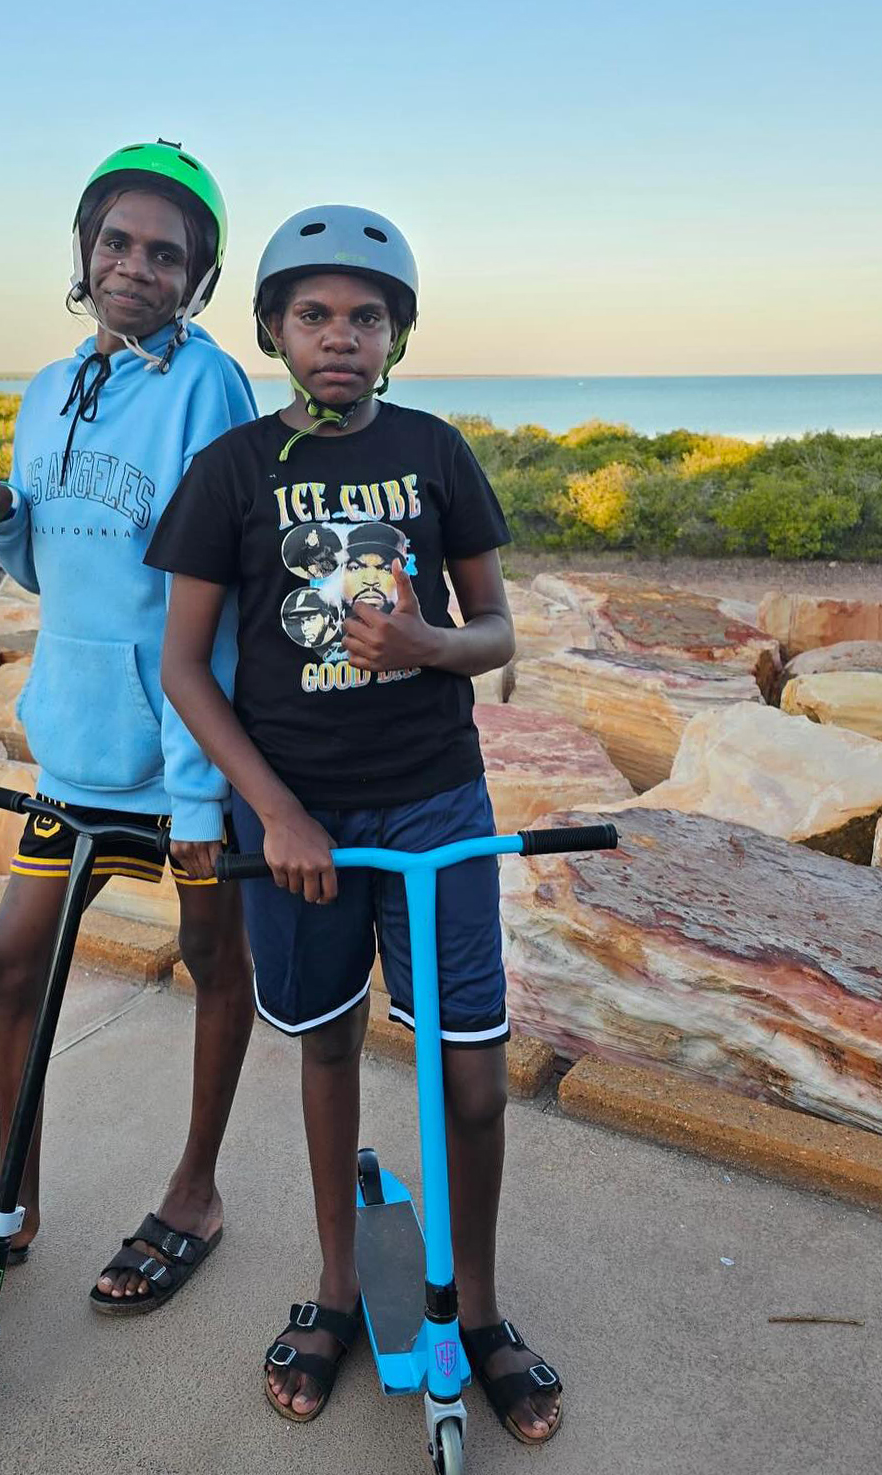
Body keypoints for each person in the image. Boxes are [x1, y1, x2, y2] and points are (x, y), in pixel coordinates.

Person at [147, 205, 563, 1442]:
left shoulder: (435, 452)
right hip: (297, 821)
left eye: (365, 316)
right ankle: (336, 1290)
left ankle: (475, 1310)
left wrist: (429, 642)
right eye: (314, 314)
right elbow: (182, 664)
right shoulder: (230, 470)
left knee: (470, 1077)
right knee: (325, 1052)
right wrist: (272, 813)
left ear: (397, 334)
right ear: (272, 327)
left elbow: (495, 629)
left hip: (435, 798)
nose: (340, 336)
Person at [0, 141, 257, 1316]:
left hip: (185, 761)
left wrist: (201, 791)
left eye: (167, 254)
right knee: (6, 964)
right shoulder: (49, 387)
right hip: (78, 753)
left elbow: (215, 592)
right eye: (118, 242)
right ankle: (13, 1202)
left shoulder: (209, 388)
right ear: (85, 250)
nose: (136, 266)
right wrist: (4, 513)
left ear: (198, 279)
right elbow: (59, 567)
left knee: (212, 962)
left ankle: (194, 1192)